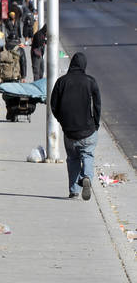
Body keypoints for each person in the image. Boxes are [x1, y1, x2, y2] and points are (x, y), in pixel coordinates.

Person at [50, 52, 101, 200]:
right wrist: (96, 124)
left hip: (69, 131)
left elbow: (54, 105)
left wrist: (63, 122)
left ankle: (74, 190)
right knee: (87, 154)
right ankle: (86, 177)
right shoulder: (91, 81)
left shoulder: (61, 82)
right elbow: (97, 106)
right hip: (88, 129)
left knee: (72, 159)